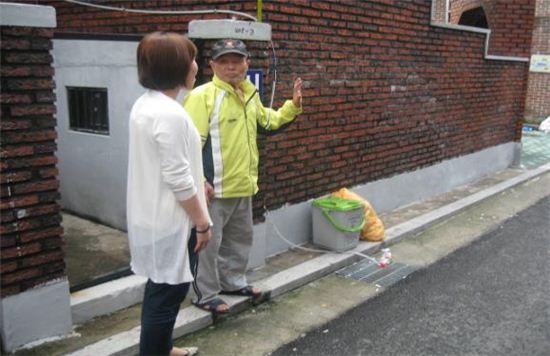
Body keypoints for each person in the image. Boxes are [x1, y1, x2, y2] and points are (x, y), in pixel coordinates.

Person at [183, 38, 303, 314]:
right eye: (224, 61)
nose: (231, 67)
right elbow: (189, 145)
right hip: (214, 190)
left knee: (239, 241)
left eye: (237, 61)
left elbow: (267, 122)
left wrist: (292, 106)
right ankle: (205, 294)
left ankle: (232, 282)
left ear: (247, 63)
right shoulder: (202, 96)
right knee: (208, 246)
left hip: (244, 186)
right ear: (211, 65)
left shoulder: (249, 94)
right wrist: (199, 180)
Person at [127, 31, 211, 356]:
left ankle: (164, 348)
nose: (196, 65)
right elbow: (176, 178)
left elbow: (170, 165)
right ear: (176, 67)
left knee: (159, 288)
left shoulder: (146, 104)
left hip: (153, 214)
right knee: (167, 296)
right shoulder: (171, 114)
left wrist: (199, 181)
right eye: (192, 59)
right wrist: (202, 222)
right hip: (173, 220)